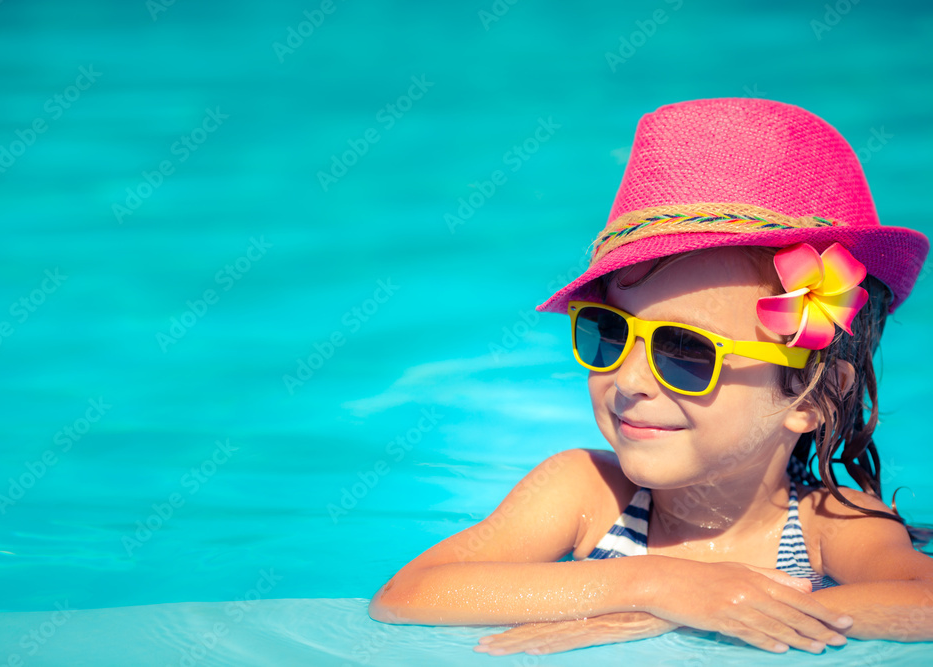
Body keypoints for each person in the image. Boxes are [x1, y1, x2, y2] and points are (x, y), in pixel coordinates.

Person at [368, 98, 933, 655]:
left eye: (686, 350)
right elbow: (407, 593)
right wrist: (657, 588)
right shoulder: (587, 493)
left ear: (815, 394)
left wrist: (730, 605)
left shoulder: (828, 524)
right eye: (609, 333)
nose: (630, 380)